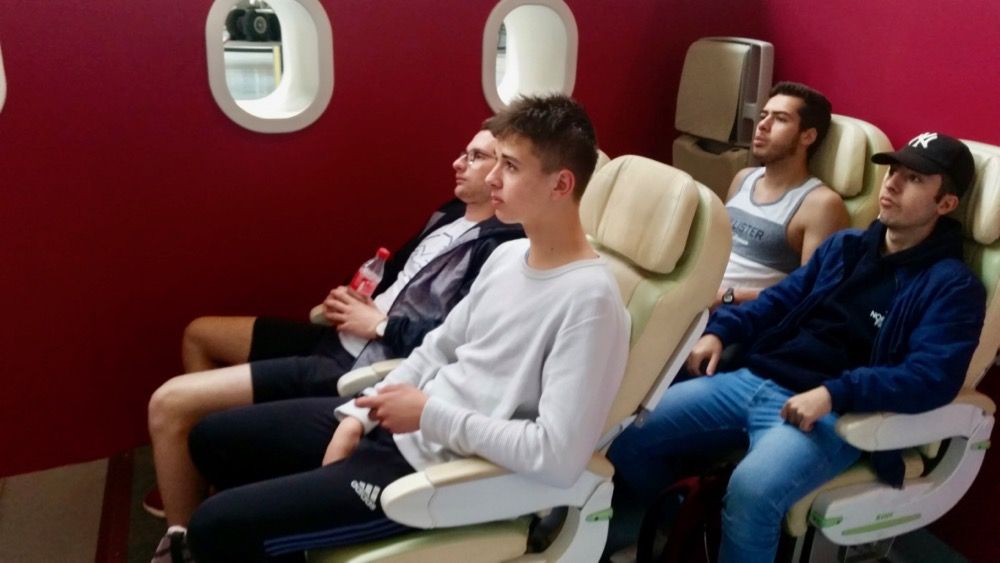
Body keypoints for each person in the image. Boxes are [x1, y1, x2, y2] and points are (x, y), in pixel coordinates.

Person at [149, 94, 630, 563]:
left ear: (560, 184)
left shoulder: (591, 301)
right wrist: (357, 418)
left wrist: (428, 414)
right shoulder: (508, 256)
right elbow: (436, 350)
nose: (492, 178)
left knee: (215, 526)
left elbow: (557, 456)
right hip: (399, 424)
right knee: (211, 439)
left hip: (434, 473)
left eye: (510, 166)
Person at [608, 132, 986, 562]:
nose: (893, 184)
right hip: (756, 377)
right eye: (893, 171)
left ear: (946, 203)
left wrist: (834, 393)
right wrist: (722, 332)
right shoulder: (846, 248)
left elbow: (931, 377)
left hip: (833, 413)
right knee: (626, 435)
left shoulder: (951, 287)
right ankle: (688, 522)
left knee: (752, 491)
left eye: (914, 179)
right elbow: (780, 300)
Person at [715, 81, 850, 308]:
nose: (762, 125)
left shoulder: (821, 204)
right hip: (695, 299)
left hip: (739, 317)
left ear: (807, 136)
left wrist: (727, 296)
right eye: (763, 115)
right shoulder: (743, 178)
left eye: (780, 119)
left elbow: (808, 295)